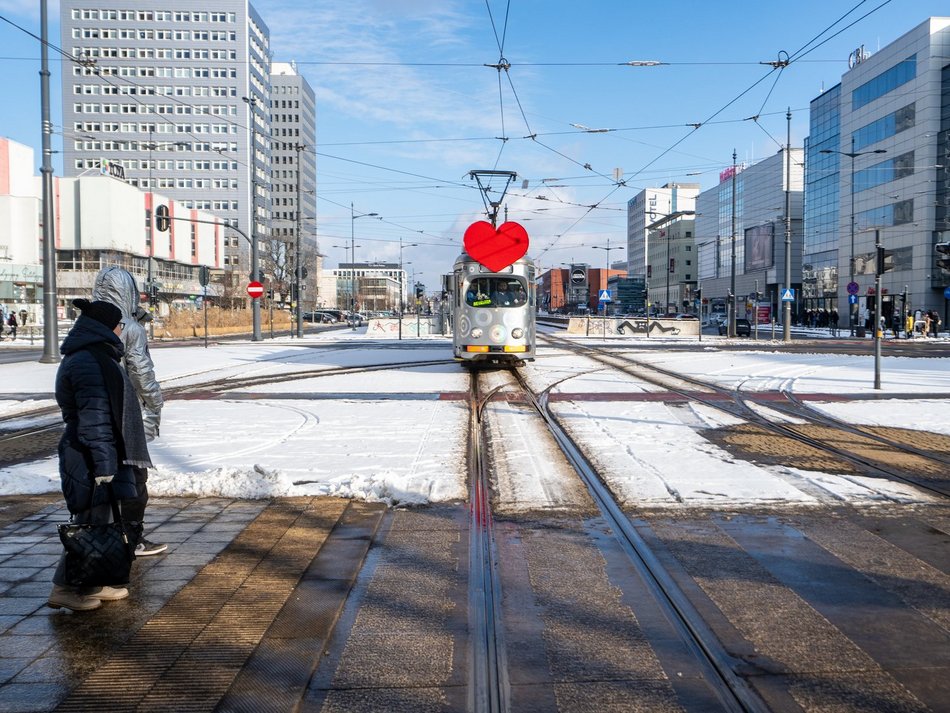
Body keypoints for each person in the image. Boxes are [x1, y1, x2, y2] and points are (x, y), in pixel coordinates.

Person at [48, 298, 152, 612]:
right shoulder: (87, 360)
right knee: (90, 521)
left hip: (102, 450)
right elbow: (93, 416)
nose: (122, 330)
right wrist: (104, 464)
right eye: (120, 325)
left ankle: (94, 580)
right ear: (106, 327)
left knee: (102, 520)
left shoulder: (97, 355)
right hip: (90, 453)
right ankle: (65, 588)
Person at [93, 266, 166, 556]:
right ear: (129, 292)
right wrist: (156, 404)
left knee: (108, 478)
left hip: (101, 414)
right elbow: (142, 375)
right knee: (136, 479)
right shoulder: (130, 329)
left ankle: (108, 535)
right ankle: (131, 537)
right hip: (128, 414)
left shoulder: (90, 323)